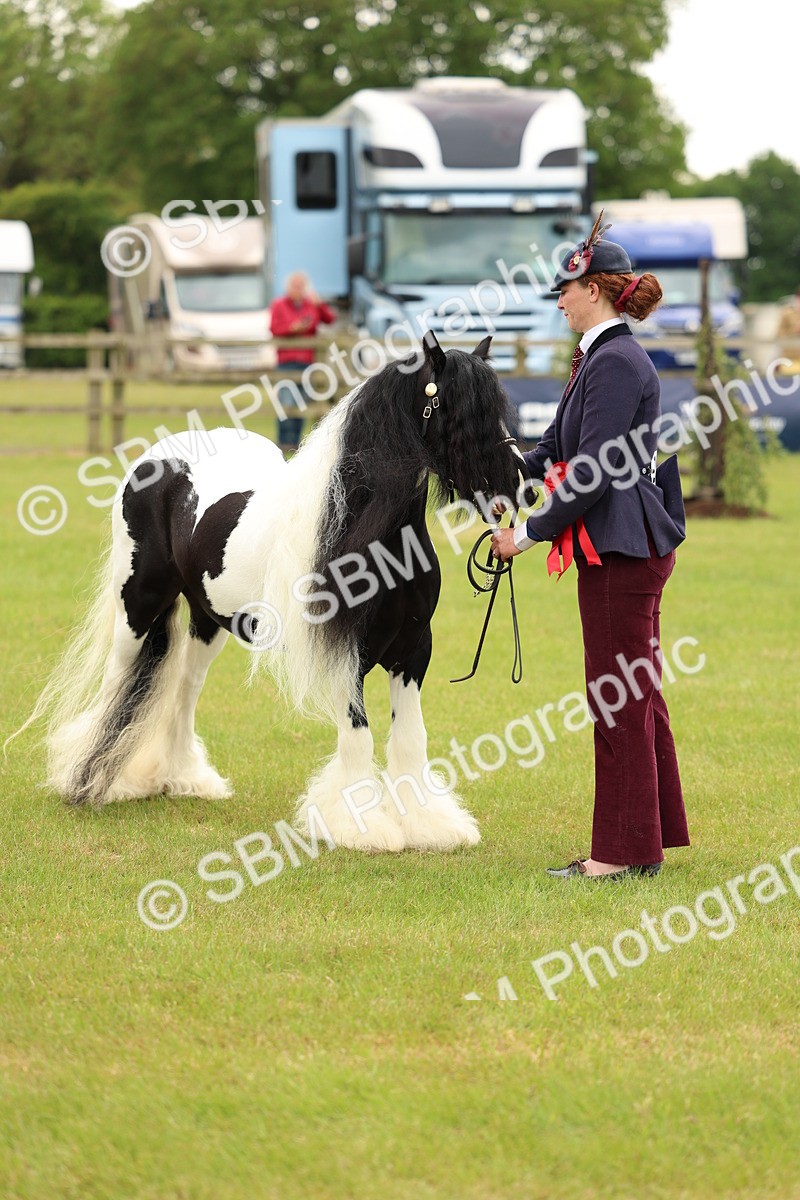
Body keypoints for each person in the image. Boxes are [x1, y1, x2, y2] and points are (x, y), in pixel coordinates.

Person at [491, 215, 690, 880]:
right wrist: (503, 471)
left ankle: (621, 855)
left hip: (623, 547)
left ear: (596, 291)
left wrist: (525, 535)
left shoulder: (614, 361)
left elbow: (595, 468)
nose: (560, 301)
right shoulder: (598, 359)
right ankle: (646, 842)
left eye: (566, 291)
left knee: (618, 697)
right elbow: (554, 449)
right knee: (636, 694)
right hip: (624, 543)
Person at [269, 272, 336, 452]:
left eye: (301, 286)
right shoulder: (279, 305)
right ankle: (283, 443)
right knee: (286, 403)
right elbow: (274, 328)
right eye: (295, 286)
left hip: (307, 362)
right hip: (287, 362)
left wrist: (320, 305)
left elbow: (330, 320)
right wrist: (292, 329)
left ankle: (295, 444)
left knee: (301, 404)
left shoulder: (310, 305)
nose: (298, 290)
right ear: (288, 287)